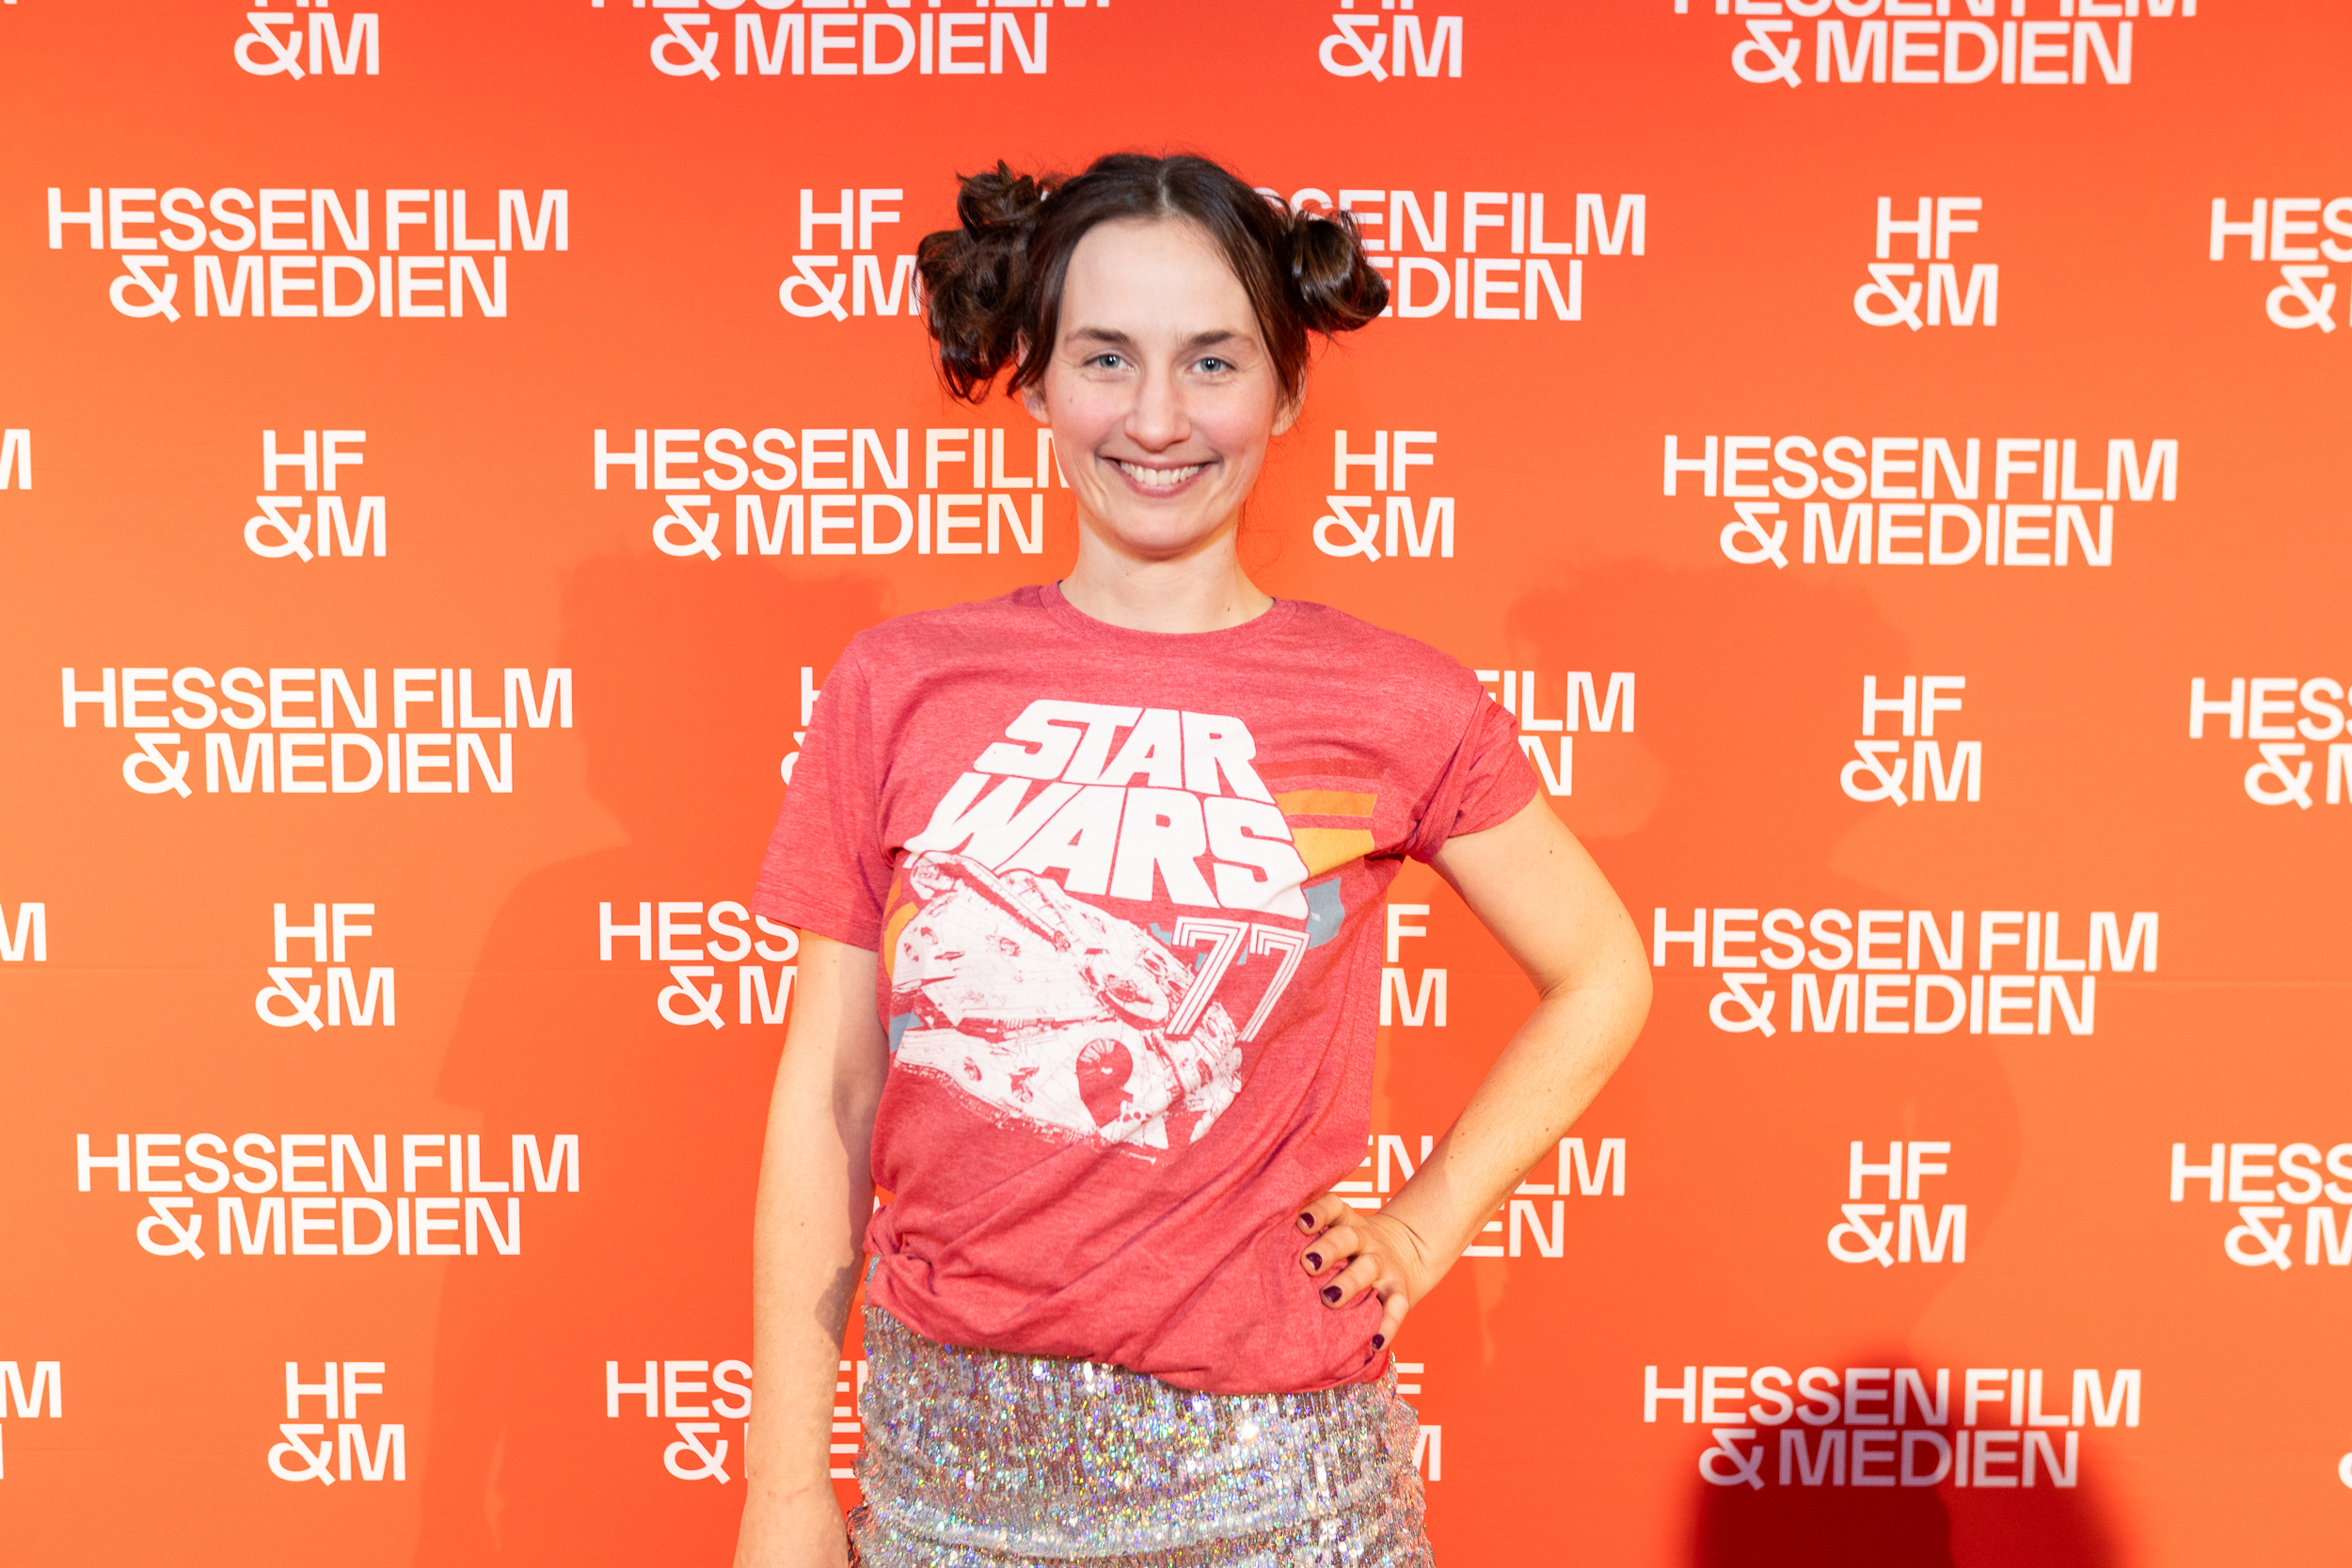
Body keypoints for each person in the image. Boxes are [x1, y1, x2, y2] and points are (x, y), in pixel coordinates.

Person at [732, 151, 1651, 1568]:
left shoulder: (1395, 701)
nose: (1157, 418)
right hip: (945, 1482)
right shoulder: (899, 684)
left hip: (1282, 1491)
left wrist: (1423, 1229)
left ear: (1284, 391)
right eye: (1106, 357)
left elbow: (1601, 972)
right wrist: (785, 1492)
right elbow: (831, 1091)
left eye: (1212, 361)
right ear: (1037, 383)